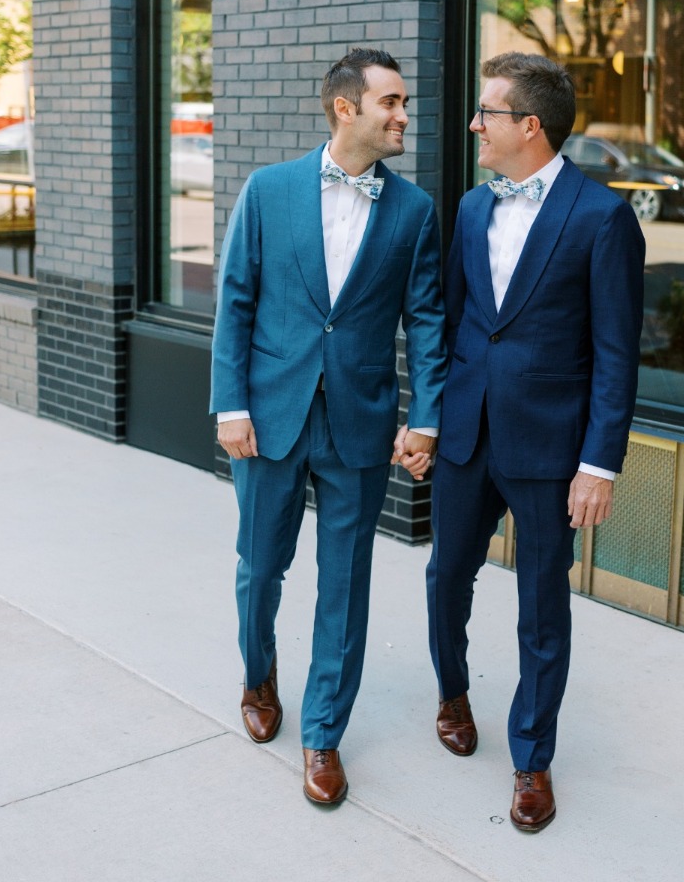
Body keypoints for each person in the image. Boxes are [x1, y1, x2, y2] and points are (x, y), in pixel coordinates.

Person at [212, 47, 446, 806]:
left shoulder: (413, 209)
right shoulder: (269, 190)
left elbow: (429, 324)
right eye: (392, 103)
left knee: (345, 585)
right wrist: (232, 404)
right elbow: (237, 301)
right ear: (347, 108)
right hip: (270, 417)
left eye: (404, 102)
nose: (404, 115)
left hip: (360, 422)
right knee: (259, 570)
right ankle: (258, 673)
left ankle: (323, 734)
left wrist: (427, 418)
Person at [422, 51, 644, 832]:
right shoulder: (473, 208)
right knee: (446, 578)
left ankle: (531, 760)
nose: (475, 124)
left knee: (541, 611)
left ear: (530, 126)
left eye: (487, 112)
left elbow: (617, 354)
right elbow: (453, 326)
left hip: (553, 453)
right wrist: (430, 419)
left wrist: (599, 463)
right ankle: (452, 692)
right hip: (466, 437)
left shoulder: (602, 217)